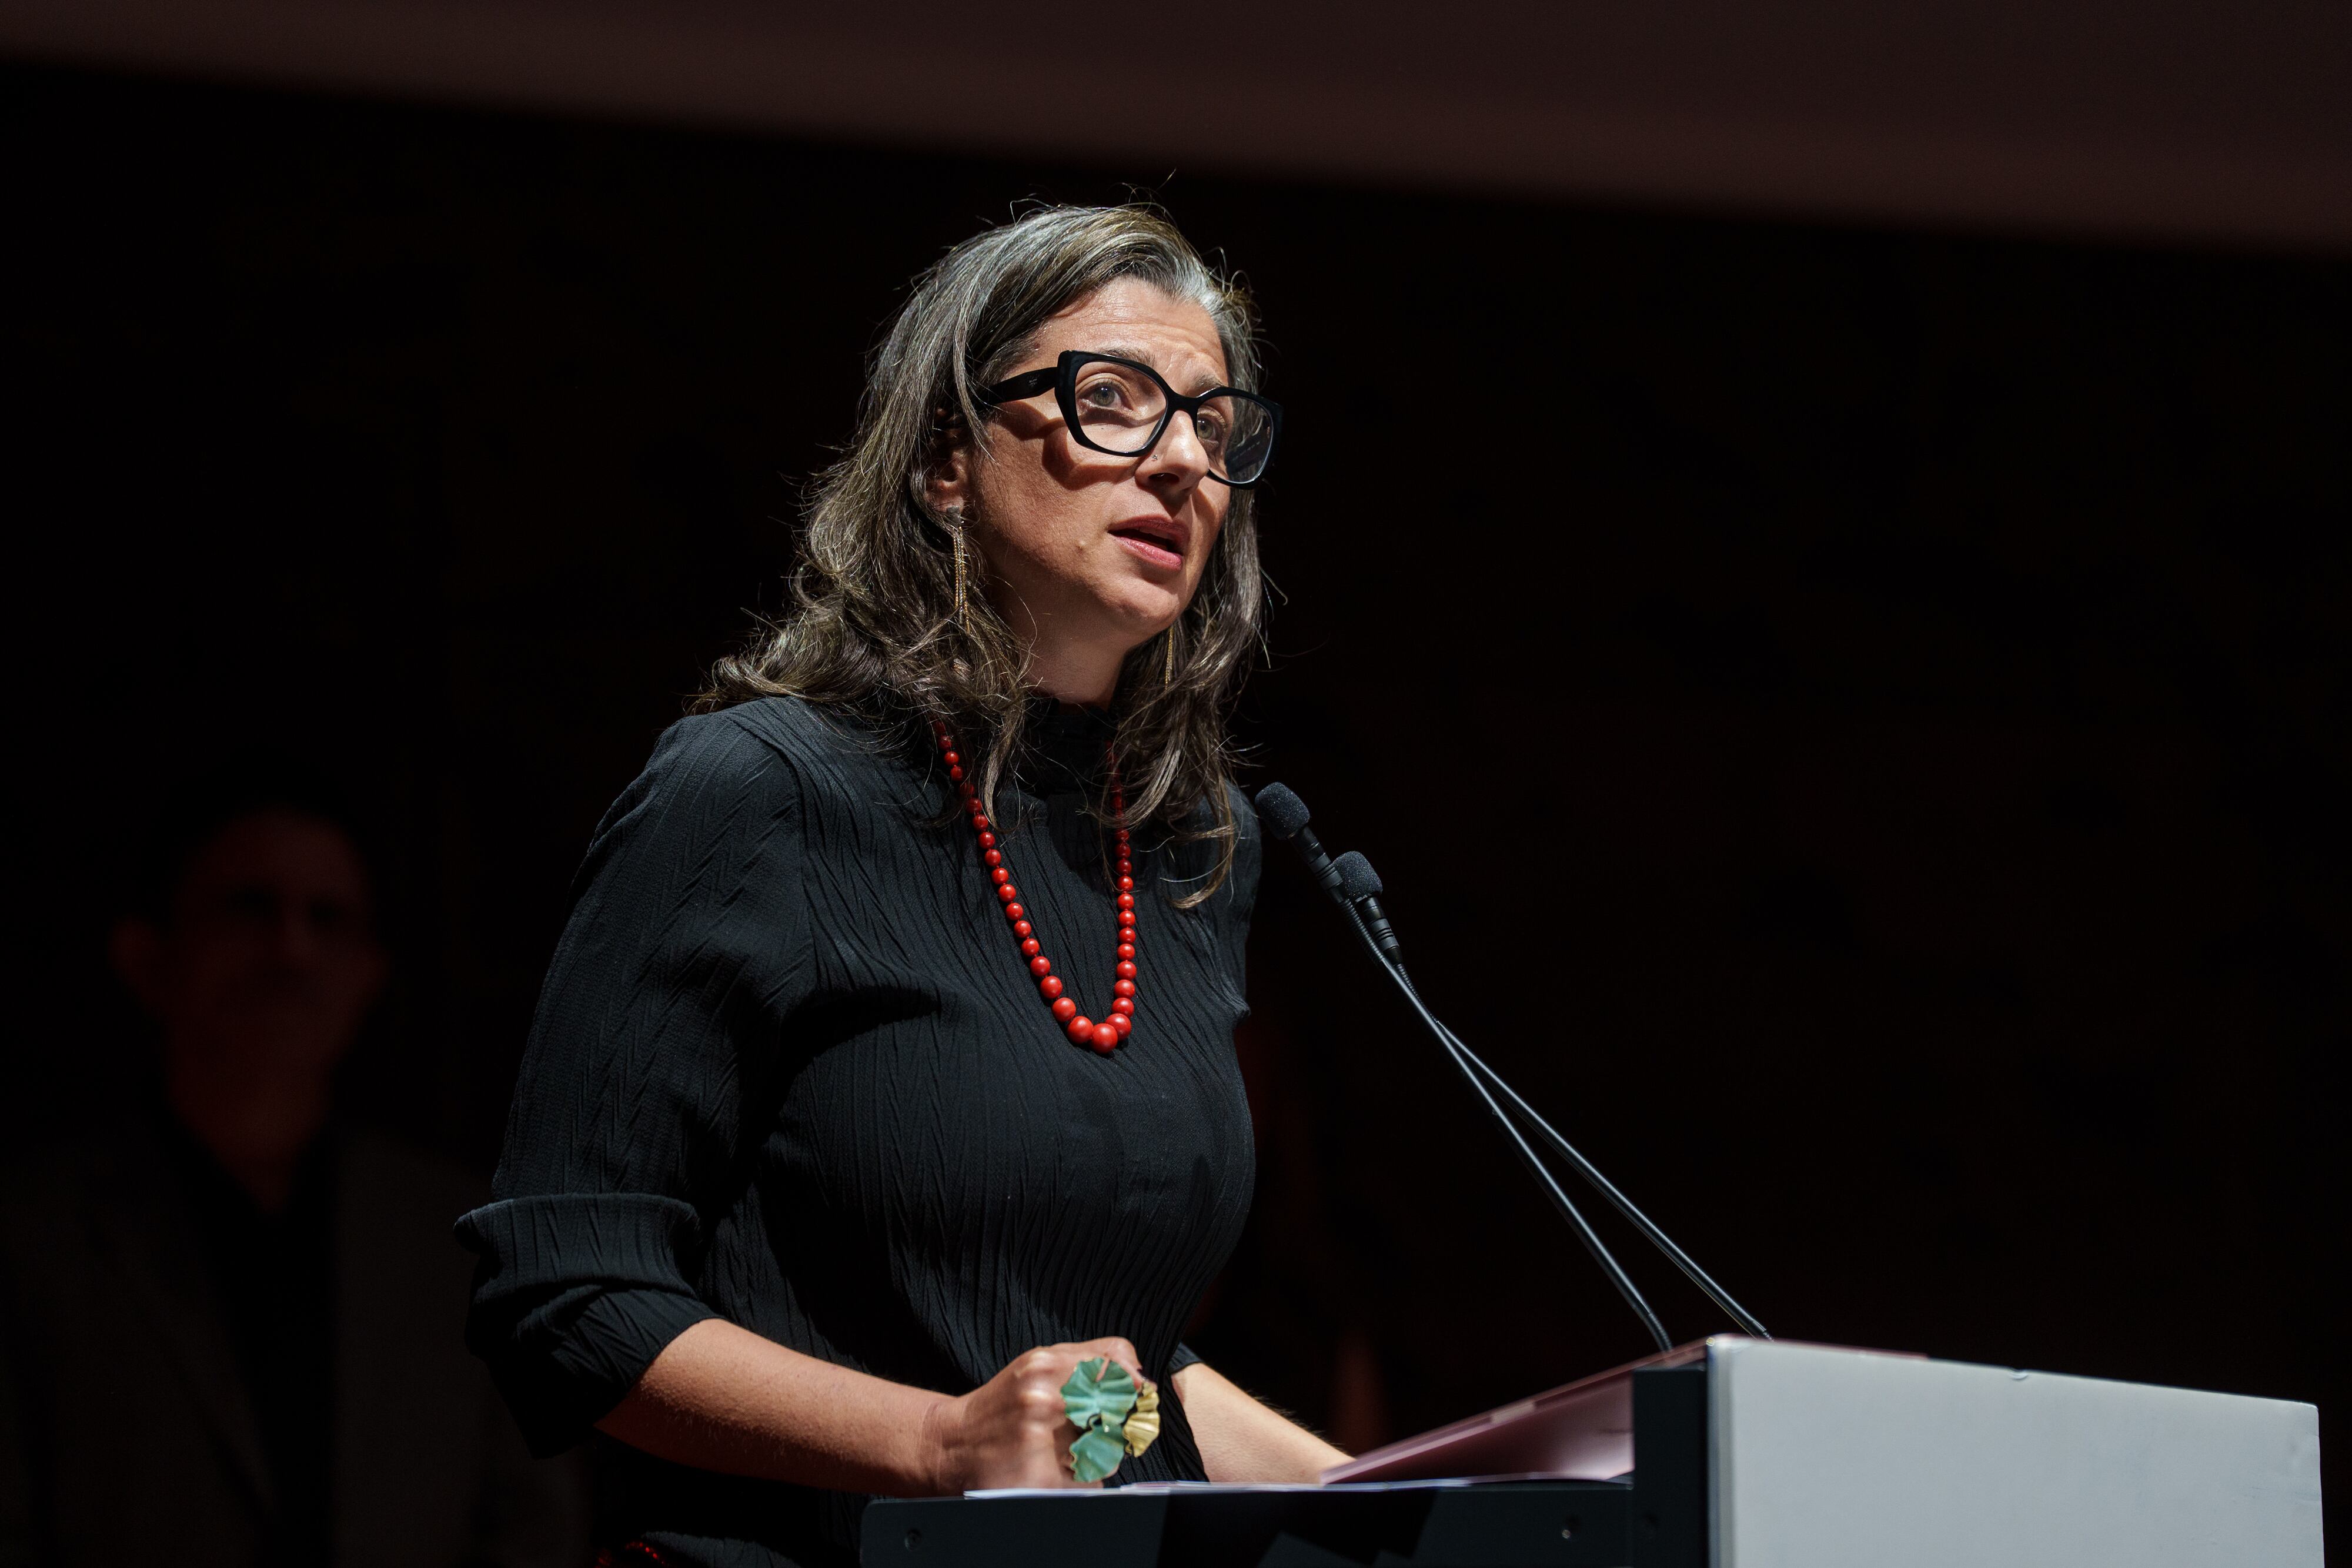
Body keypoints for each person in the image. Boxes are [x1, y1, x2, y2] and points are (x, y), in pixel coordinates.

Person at [456, 204, 1348, 1567]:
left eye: (1214, 430)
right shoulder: (756, 790)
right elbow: (565, 1290)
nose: (1180, 459)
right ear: (945, 459)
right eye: (1110, 400)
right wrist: (937, 1444)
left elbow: (1099, 1385)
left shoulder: (1183, 847)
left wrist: (1410, 1497)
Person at [0, 770, 589, 1568]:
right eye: (248, 908)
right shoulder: (35, 1237)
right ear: (148, 957)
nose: (292, 948)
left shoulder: (463, 1245)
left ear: (367, 975)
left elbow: (535, 1536)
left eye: (328, 918)